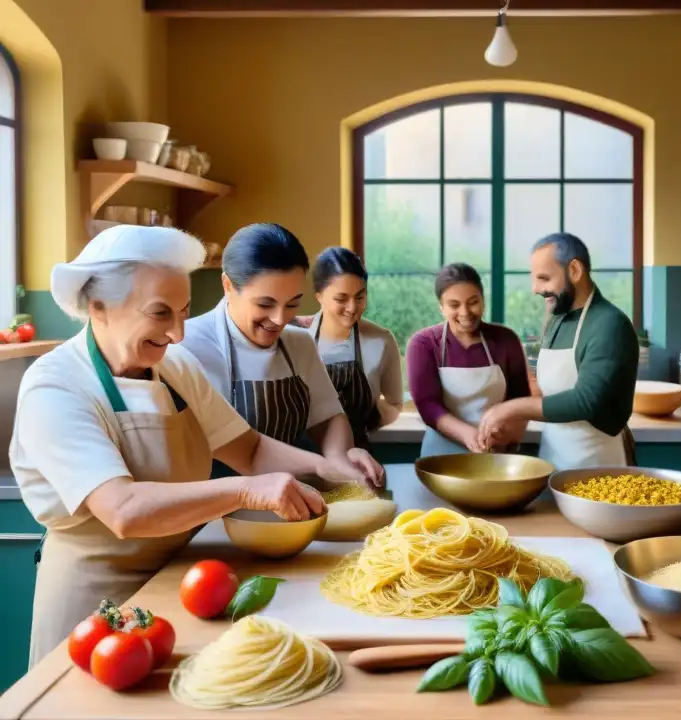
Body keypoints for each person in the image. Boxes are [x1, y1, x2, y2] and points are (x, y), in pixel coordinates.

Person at [8, 226, 369, 665]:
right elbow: (122, 509)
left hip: (179, 587)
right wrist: (245, 490)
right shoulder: (55, 386)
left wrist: (334, 470)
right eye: (160, 314)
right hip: (94, 608)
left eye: (183, 312)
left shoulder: (174, 365)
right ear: (99, 307)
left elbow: (250, 450)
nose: (178, 333)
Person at [182, 223, 382, 486]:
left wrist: (340, 457)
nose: (279, 319)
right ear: (228, 286)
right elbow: (246, 451)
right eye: (265, 304)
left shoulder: (299, 343)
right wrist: (324, 466)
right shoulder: (185, 346)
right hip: (215, 510)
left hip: (292, 501)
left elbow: (328, 416)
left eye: (292, 303)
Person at [477, 233, 639, 470]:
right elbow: (549, 391)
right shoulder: (558, 320)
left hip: (599, 465)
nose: (535, 288)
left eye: (544, 278)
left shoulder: (610, 324)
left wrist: (509, 409)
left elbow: (586, 401)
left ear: (574, 270)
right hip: (553, 461)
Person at [406, 263, 531, 456]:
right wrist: (468, 435)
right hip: (441, 456)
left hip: (495, 451)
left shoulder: (506, 340)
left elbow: (520, 399)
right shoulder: (424, 344)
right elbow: (427, 405)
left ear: (483, 300)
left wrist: (508, 436)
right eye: (454, 305)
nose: (465, 313)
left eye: (473, 302)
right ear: (441, 307)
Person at [307, 247, 403, 452]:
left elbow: (395, 405)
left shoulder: (381, 341)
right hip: (301, 457)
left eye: (359, 297)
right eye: (341, 299)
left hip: (357, 456)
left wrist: (369, 417)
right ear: (319, 297)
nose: (352, 308)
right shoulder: (296, 338)